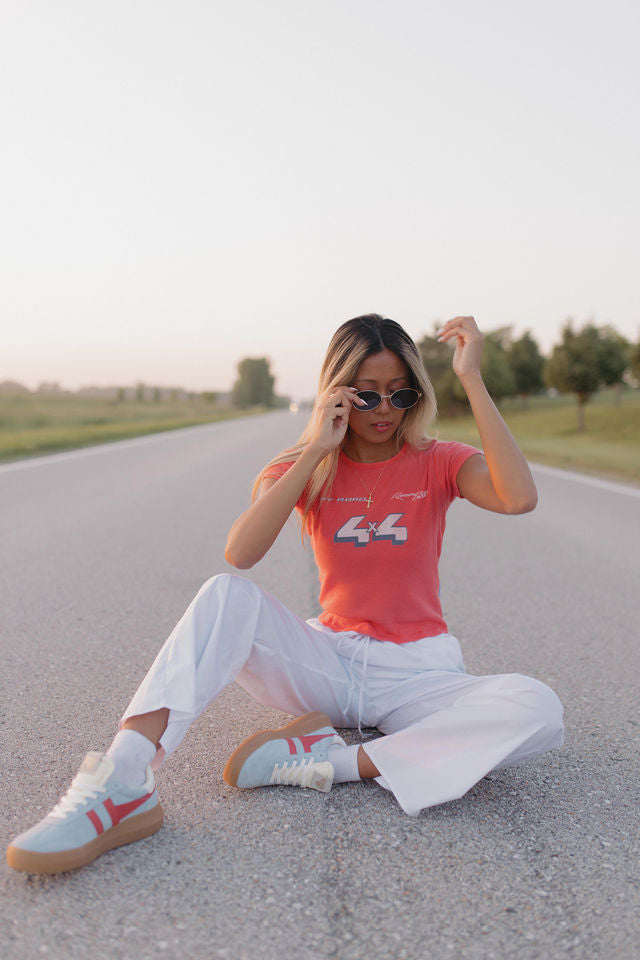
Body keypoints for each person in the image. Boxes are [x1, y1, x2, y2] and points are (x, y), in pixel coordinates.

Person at [7, 314, 563, 875]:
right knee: (226, 594)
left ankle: (327, 761)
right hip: (328, 663)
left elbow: (517, 498)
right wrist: (317, 448)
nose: (386, 408)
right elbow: (241, 553)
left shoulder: (439, 460)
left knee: (536, 707)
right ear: (337, 393)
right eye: (366, 395)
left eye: (401, 392)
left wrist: (471, 377)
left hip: (418, 675)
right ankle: (123, 779)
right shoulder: (302, 468)